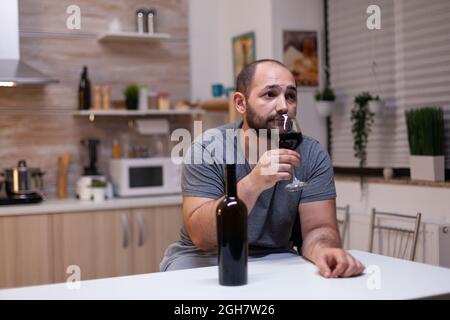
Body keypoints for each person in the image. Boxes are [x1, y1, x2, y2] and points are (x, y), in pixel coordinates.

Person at [160, 59, 365, 278]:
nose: (283, 106)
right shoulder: (208, 149)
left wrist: (325, 249)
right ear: (240, 103)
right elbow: (203, 237)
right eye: (270, 95)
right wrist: (254, 183)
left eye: (290, 96)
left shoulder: (312, 155)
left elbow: (318, 229)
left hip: (277, 260)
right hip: (205, 260)